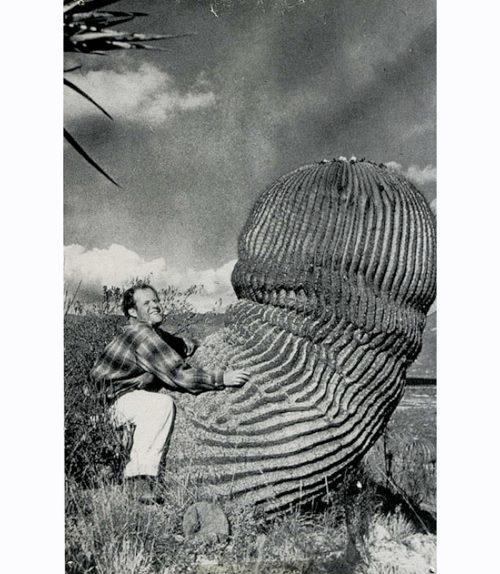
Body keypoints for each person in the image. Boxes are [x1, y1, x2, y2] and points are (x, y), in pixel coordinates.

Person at [91, 284, 250, 504]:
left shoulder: (152, 333)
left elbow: (178, 345)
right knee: (159, 405)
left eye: (156, 300)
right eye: (146, 303)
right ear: (133, 312)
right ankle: (138, 479)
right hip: (109, 404)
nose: (155, 305)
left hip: (114, 401)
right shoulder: (142, 336)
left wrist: (203, 344)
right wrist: (221, 378)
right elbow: (179, 375)